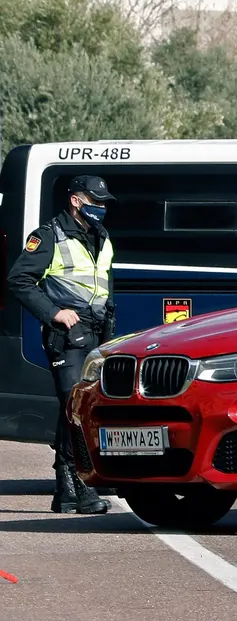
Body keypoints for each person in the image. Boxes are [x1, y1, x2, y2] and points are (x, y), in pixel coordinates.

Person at [6, 175, 118, 516]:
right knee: (75, 407)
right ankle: (77, 487)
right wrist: (55, 313)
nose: (101, 207)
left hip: (98, 333)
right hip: (67, 334)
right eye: (95, 200)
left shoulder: (100, 235)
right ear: (76, 200)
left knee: (85, 406)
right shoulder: (49, 236)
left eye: (103, 202)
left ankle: (70, 487)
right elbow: (18, 279)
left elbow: (102, 284)